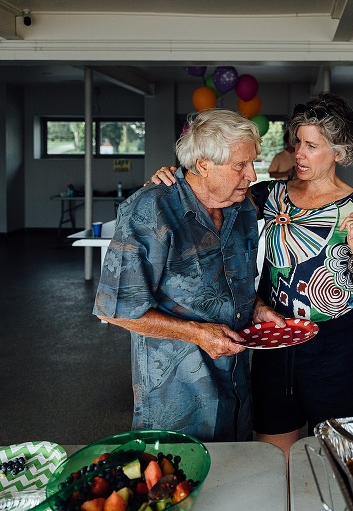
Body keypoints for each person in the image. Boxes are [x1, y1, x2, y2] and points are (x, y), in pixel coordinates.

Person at [152, 93, 353, 456]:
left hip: (338, 346)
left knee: (343, 455)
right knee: (271, 456)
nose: (299, 154)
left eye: (311, 145)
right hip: (274, 338)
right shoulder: (266, 195)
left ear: (340, 151)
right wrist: (172, 178)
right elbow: (207, 191)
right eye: (297, 143)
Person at [94, 109, 284, 442]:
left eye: (252, 162)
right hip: (177, 390)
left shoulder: (240, 207)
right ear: (203, 164)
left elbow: (229, 280)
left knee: (234, 478)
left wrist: (256, 307)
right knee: (179, 481)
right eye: (240, 165)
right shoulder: (151, 210)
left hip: (236, 380)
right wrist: (198, 333)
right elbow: (116, 309)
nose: (252, 175)